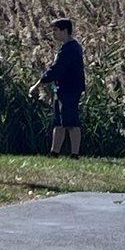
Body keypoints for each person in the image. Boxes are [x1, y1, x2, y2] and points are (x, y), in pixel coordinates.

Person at [29, 18, 86, 158]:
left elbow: (56, 70)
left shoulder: (70, 49)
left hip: (70, 89)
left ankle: (74, 153)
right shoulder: (68, 47)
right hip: (62, 88)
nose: (53, 34)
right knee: (59, 122)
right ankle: (54, 152)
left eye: (55, 30)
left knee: (71, 121)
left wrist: (38, 84)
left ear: (65, 30)